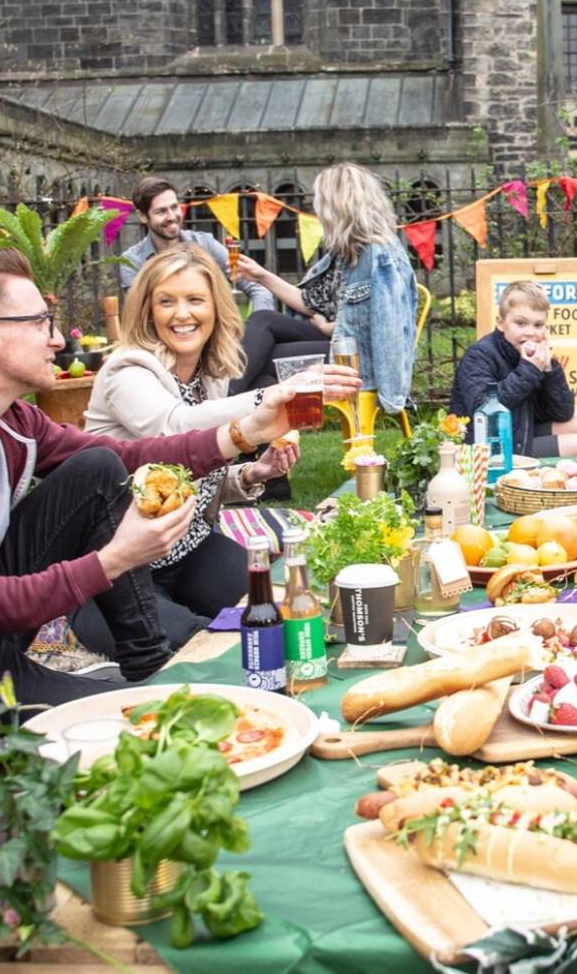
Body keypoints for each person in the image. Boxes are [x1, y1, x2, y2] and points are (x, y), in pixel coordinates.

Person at [0, 248, 299, 705]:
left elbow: (121, 457)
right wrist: (113, 559)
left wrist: (240, 433)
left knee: (98, 468)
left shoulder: (11, 418)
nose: (58, 338)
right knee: (143, 722)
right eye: (40, 322)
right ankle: (145, 678)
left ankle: (149, 661)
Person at [82, 244, 360, 652]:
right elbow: (173, 431)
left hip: (192, 548)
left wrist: (253, 474)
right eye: (166, 302)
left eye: (195, 300)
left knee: (278, 614)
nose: (182, 314)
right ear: (147, 310)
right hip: (120, 570)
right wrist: (271, 399)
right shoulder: (128, 369)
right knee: (200, 648)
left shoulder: (207, 374)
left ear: (216, 308)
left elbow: (187, 473)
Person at [231, 162, 417, 412]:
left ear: (338, 206)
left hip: (357, 360)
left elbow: (386, 325)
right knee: (264, 320)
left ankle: (219, 403)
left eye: (320, 202)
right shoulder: (346, 251)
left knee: (266, 364)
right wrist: (261, 275)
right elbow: (311, 301)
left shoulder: (378, 255)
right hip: (337, 344)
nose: (316, 210)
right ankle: (241, 434)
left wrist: (329, 327)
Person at [449, 281, 577, 458]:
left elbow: (563, 413)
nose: (530, 332)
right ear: (500, 322)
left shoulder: (534, 355)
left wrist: (549, 368)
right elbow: (485, 409)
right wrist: (529, 369)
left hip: (522, 429)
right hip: (488, 444)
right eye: (521, 323)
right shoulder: (480, 354)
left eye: (538, 325)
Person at [116, 175, 275, 312]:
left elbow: (258, 288)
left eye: (174, 207)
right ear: (143, 216)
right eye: (161, 211)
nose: (172, 216)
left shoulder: (205, 243)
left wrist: (257, 325)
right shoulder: (132, 262)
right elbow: (139, 315)